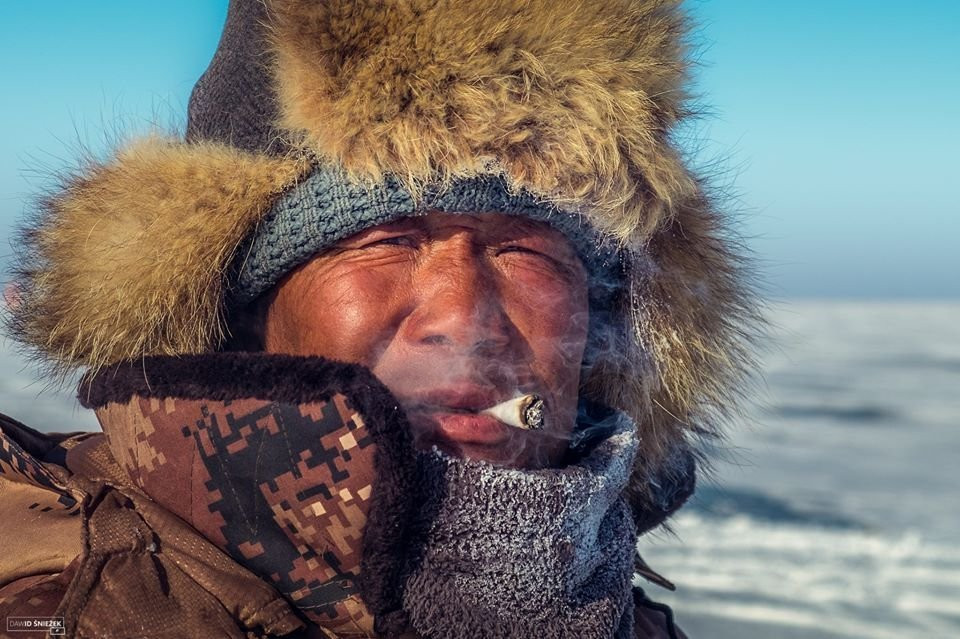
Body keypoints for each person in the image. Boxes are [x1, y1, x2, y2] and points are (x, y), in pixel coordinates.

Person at [0, 1, 758, 637]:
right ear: (245, 309)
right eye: (387, 240)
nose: (466, 320)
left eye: (524, 250)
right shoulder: (82, 605)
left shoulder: (629, 620)